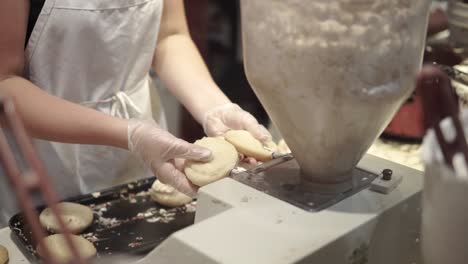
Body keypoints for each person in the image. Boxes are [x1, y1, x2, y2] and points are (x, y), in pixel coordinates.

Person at [0, 0, 271, 226]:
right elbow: (4, 83)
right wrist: (129, 134)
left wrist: (214, 108)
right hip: (43, 152)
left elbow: (169, 36)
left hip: (143, 143)